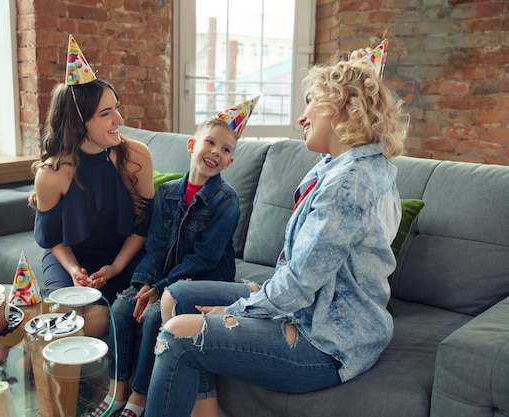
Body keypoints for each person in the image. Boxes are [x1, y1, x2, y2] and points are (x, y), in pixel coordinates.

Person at [146, 39, 410, 417]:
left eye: (309, 102)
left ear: (339, 108)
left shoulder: (349, 182)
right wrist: (254, 301)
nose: (302, 117)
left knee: (179, 334)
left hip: (327, 339)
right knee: (177, 296)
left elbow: (300, 285)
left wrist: (237, 308)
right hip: (313, 304)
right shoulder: (342, 165)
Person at [91, 97, 259, 417]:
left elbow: (205, 258)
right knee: (122, 307)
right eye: (210, 142)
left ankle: (138, 399)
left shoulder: (226, 200)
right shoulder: (167, 193)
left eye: (225, 150)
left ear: (230, 162)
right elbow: (155, 245)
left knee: (156, 316)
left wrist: (161, 288)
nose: (215, 152)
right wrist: (143, 283)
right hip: (162, 275)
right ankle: (118, 389)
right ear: (192, 145)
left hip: (204, 280)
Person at [29, 35, 154, 337]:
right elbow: (52, 239)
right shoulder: (52, 173)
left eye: (116, 108)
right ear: (78, 121)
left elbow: (143, 225)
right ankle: (19, 361)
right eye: (106, 113)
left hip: (122, 256)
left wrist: (116, 266)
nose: (119, 119)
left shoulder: (136, 156)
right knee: (62, 317)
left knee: (98, 319)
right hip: (70, 259)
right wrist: (73, 271)